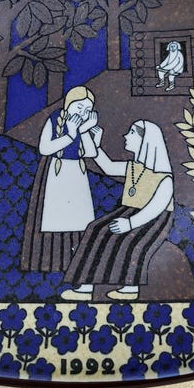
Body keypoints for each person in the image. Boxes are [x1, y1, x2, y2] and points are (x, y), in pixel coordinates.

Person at [61, 120, 175, 301]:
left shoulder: (165, 178)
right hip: (127, 212)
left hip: (153, 220)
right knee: (95, 228)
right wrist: (96, 145)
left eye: (132, 133)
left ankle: (130, 288)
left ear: (145, 141)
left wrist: (130, 224)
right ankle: (85, 286)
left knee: (129, 241)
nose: (126, 136)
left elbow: (156, 208)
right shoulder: (133, 168)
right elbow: (108, 167)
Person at [20, 86, 98, 273]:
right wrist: (71, 134)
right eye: (79, 107)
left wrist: (84, 130)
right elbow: (45, 148)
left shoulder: (83, 126)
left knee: (79, 219)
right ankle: (51, 263)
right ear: (68, 103)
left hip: (77, 175)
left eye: (87, 110)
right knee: (55, 218)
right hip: (57, 172)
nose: (82, 113)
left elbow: (91, 152)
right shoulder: (55, 118)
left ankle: (77, 265)